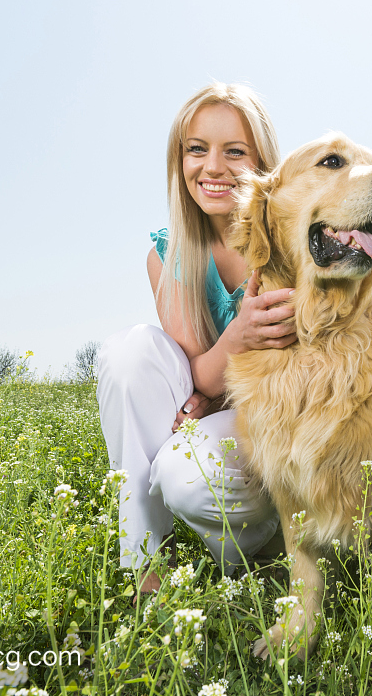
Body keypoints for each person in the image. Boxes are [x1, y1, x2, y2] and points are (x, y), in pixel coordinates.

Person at [96, 83, 291, 593]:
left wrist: (216, 380)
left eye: (235, 152)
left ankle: (266, 541)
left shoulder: (288, 239)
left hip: (275, 416)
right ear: (178, 159)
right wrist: (242, 333)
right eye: (197, 149)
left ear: (263, 161)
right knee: (128, 352)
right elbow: (198, 376)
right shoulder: (170, 254)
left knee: (187, 479)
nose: (213, 167)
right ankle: (144, 564)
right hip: (211, 406)